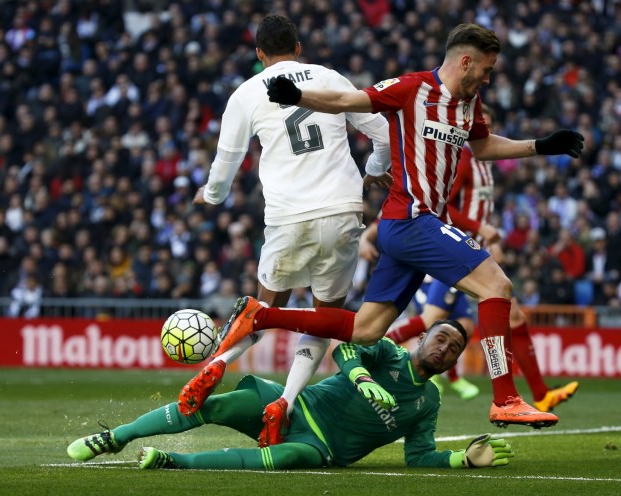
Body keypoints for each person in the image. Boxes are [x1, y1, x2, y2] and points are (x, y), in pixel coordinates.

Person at [215, 23, 585, 429]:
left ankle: (261, 316)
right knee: (497, 287)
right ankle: (506, 398)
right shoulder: (410, 89)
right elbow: (346, 100)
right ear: (466, 61)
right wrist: (298, 96)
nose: (488, 77)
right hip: (412, 219)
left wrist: (540, 146)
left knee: (366, 330)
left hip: (409, 227)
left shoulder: (467, 103)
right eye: (486, 69)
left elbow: (480, 145)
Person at [178, 14, 391, 448]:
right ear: (298, 46)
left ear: (259, 54)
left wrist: (211, 196)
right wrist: (374, 170)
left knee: (261, 306)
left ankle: (214, 366)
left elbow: (227, 162)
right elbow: (383, 130)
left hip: (286, 216)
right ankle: (286, 402)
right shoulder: (329, 77)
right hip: (340, 210)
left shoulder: (245, 94)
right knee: (324, 317)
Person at [67, 320, 513, 471]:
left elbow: (418, 457)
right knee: (218, 405)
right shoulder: (388, 353)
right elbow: (347, 348)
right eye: (440, 339)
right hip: (296, 402)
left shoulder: (428, 403)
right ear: (422, 339)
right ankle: (115, 438)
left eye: (454, 349)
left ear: (454, 363)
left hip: (321, 448)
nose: (445, 349)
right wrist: (361, 377)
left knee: (284, 461)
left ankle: (173, 462)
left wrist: (461, 460)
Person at [368, 105, 579, 410]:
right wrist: (480, 229)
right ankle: (373, 347)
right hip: (454, 252)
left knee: (508, 318)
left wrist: (486, 240)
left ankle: (541, 393)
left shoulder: (483, 163)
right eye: (482, 125)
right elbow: (443, 207)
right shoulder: (463, 159)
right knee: (431, 319)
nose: (485, 130)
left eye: (490, 125)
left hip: (474, 251)